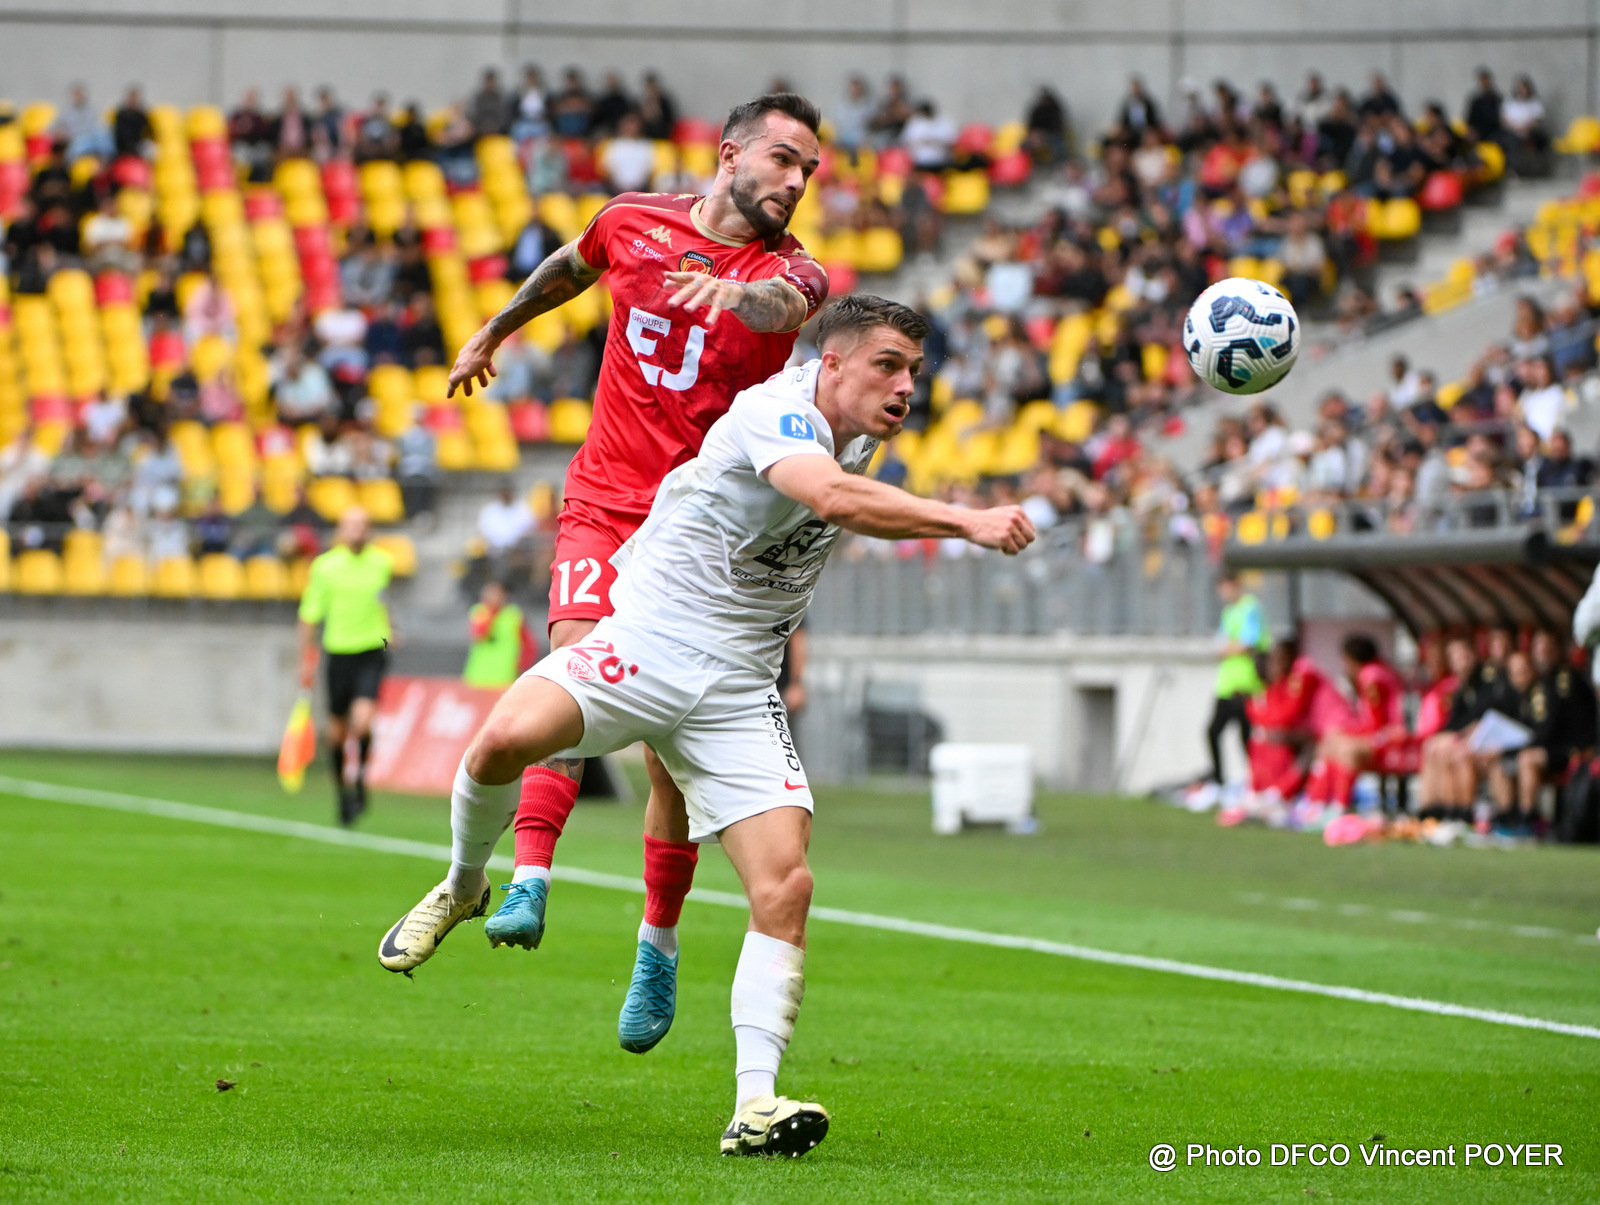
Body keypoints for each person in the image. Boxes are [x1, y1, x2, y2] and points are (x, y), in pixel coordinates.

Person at [378, 295, 1035, 1155]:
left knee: (784, 885)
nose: (907, 384)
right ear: (829, 363)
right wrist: (967, 520)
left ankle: (753, 1105)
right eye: (887, 364)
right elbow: (828, 495)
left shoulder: (861, 430)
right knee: (502, 740)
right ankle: (469, 883)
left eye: (914, 369)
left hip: (738, 683)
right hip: (651, 638)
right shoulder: (777, 409)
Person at [440, 93, 830, 1016]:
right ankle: (530, 875)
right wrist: (495, 328)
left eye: (809, 171)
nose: (795, 181)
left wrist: (737, 294)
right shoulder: (633, 221)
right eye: (782, 159)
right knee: (570, 666)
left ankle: (656, 942)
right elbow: (573, 267)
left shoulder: (796, 274)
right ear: (729, 151)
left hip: (701, 535)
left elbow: (785, 302)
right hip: (609, 499)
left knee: (668, 753)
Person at [297, 507, 394, 826]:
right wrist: (306, 658)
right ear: (341, 529)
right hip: (338, 652)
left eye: (362, 525)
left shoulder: (381, 562)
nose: (357, 530)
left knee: (363, 723)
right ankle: (342, 792)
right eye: (351, 525)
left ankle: (361, 779)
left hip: (371, 650)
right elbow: (310, 614)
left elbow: (382, 604)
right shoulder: (325, 567)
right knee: (336, 734)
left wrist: (387, 637)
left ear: (369, 529)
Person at [1195, 570, 1269, 804]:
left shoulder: (1250, 607)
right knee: (1214, 731)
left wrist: (1230, 647)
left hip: (1245, 684)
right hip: (1227, 684)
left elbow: (1248, 642)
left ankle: (1256, 785)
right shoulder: (1229, 612)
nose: (1223, 591)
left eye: (1226, 585)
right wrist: (1229, 647)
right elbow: (1224, 644)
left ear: (1236, 584)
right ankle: (1220, 782)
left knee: (1246, 737)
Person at [464, 580, 531, 690]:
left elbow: (528, 644)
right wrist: (491, 612)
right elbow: (478, 634)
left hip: (504, 676)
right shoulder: (480, 612)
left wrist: (521, 665)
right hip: (478, 675)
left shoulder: (514, 615)